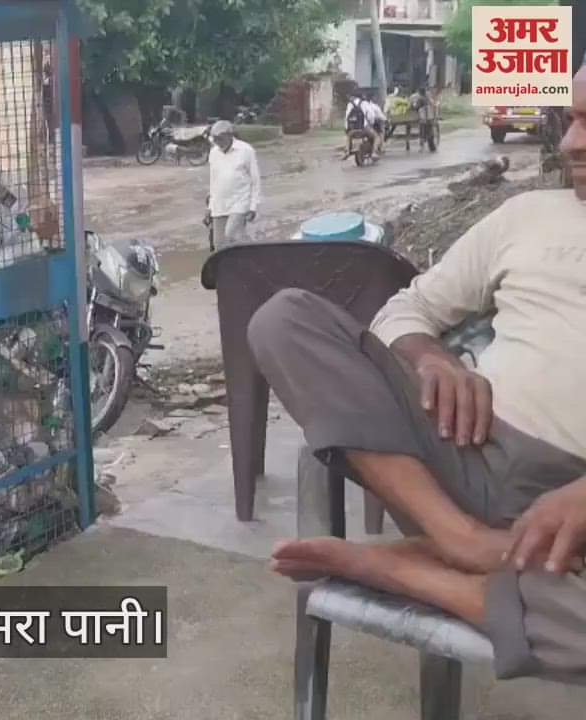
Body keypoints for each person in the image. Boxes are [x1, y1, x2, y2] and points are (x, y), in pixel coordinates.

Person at [247, 62, 586, 685]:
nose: (570, 143)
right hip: (458, 451)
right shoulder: (528, 216)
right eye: (573, 119)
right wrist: (432, 357)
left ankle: (408, 569)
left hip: (573, 521)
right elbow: (406, 308)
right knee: (283, 318)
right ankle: (454, 540)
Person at [206, 120, 261, 249]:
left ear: (229, 136)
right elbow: (213, 180)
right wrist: (209, 206)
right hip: (219, 203)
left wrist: (253, 206)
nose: (218, 142)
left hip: (240, 201)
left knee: (230, 235)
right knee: (218, 243)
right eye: (215, 140)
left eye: (220, 139)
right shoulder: (214, 153)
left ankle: (241, 262)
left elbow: (255, 180)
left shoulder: (246, 150)